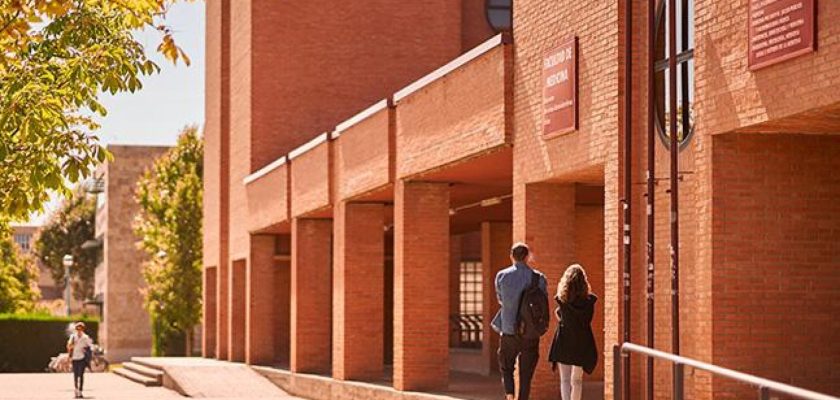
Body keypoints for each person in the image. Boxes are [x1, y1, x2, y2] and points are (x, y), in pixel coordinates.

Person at [492, 242, 548, 400]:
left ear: (511, 256)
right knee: (526, 373)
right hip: (530, 332)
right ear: (527, 257)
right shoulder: (539, 278)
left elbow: (501, 300)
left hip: (508, 330)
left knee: (506, 367)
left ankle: (509, 396)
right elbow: (542, 304)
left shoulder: (501, 276)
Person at [548, 264, 598, 400]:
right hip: (582, 342)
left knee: (564, 379)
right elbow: (587, 320)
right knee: (577, 380)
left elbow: (561, 318)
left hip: (564, 341)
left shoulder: (562, 301)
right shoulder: (589, 302)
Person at [67, 321, 93, 399]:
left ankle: (80, 391)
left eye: (80, 329)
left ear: (82, 329)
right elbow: (69, 346)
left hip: (82, 358)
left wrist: (86, 350)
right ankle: (76, 390)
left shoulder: (85, 337)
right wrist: (71, 347)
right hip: (75, 357)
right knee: (75, 375)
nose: (79, 330)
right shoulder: (73, 337)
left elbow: (89, 346)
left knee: (81, 375)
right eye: (77, 329)